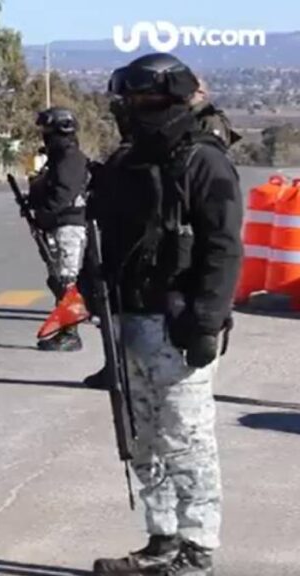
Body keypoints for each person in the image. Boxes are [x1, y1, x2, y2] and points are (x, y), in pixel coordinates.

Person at [85, 52, 242, 576]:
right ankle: (162, 541)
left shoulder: (204, 160)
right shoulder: (127, 162)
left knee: (187, 442)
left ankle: (197, 552)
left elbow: (223, 249)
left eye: (137, 99)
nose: (128, 109)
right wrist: (92, 286)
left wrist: (205, 322)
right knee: (145, 440)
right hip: (133, 320)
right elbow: (106, 235)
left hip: (179, 328)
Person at [27, 107, 90, 352]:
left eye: (47, 129)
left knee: (66, 279)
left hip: (69, 225)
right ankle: (66, 328)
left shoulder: (69, 157)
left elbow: (63, 193)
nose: (44, 134)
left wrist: (44, 212)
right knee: (59, 278)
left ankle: (71, 333)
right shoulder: (58, 156)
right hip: (59, 224)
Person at [190, 78, 242, 148]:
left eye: (192, 91)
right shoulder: (189, 116)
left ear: (202, 94)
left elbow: (214, 150)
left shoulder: (211, 119)